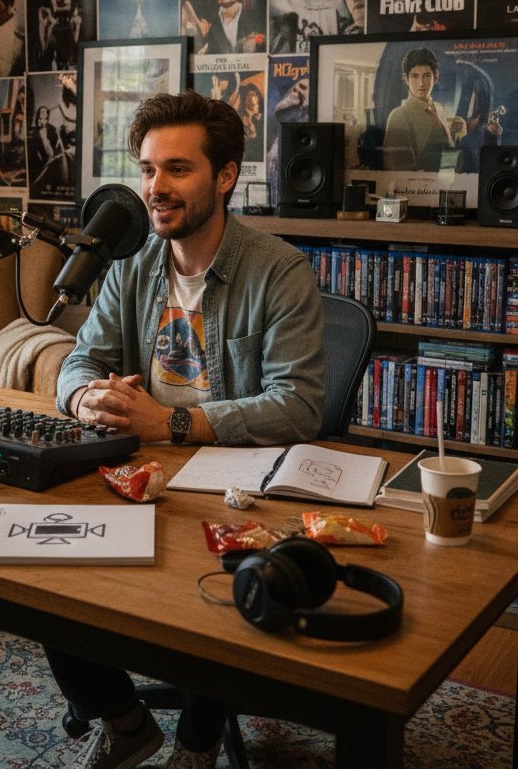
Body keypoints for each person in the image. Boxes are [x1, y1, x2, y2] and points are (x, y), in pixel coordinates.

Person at [49, 91, 326, 769]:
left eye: (176, 169)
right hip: (138, 469)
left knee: (219, 586)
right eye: (147, 170)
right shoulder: (132, 265)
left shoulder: (278, 270)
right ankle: (125, 720)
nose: (154, 188)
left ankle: (197, 748)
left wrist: (171, 421)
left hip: (234, 481)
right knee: (45, 570)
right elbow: (81, 355)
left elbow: (299, 404)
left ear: (224, 176)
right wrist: (85, 395)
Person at [382, 47, 465, 171]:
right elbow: (399, 172)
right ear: (406, 79)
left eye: (427, 76)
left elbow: (446, 157)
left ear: (435, 77)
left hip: (447, 183)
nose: (421, 83)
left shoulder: (439, 109)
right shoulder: (399, 116)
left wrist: (454, 135)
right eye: (414, 76)